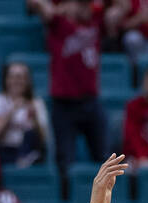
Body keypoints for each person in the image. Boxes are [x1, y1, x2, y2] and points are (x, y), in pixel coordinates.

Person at [27, 0, 107, 174]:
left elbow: (120, 9)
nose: (87, 9)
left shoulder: (95, 23)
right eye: (82, 5)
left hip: (90, 101)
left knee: (104, 158)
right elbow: (37, 4)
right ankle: (66, 197)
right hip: (64, 104)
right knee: (65, 161)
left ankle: (107, 200)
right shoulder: (59, 24)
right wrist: (59, 8)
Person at [0, 60, 50, 168]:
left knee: (31, 137)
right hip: (3, 150)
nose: (17, 81)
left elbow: (43, 139)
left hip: (29, 151)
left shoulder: (36, 103)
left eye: (22, 77)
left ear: (28, 81)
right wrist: (12, 111)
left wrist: (35, 118)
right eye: (13, 77)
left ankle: (25, 161)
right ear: (6, 79)